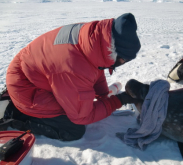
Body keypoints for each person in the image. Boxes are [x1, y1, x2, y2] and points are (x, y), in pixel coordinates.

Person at [2, 13, 142, 141]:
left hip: (31, 75)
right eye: (123, 60)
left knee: (78, 102)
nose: (122, 64)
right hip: (25, 90)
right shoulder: (72, 67)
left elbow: (97, 68)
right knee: (74, 129)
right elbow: (82, 116)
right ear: (116, 52)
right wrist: (118, 100)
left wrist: (104, 96)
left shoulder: (95, 39)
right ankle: (16, 114)